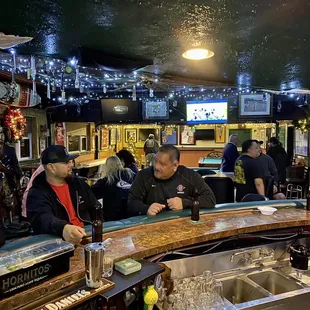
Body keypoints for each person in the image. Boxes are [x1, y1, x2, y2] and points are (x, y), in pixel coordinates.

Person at [27, 145, 100, 244]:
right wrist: (63, 228)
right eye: (66, 162)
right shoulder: (36, 193)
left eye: (70, 161)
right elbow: (42, 219)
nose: (71, 165)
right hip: (59, 243)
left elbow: (96, 209)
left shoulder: (79, 184)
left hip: (87, 236)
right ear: (51, 167)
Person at [127, 144, 216, 216]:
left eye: (162, 164)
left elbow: (210, 199)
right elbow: (131, 203)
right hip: (150, 228)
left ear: (175, 165)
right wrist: (146, 209)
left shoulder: (190, 176)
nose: (156, 167)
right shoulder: (144, 175)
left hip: (182, 227)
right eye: (155, 161)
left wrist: (184, 203)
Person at [91, 156, 135, 221]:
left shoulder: (107, 181)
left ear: (107, 167)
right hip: (132, 214)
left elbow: (91, 194)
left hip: (113, 218)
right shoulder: (131, 175)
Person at [0, 128, 22, 223]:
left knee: (8, 203)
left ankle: (10, 222)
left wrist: (6, 169)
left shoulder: (10, 150)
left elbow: (16, 168)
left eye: (1, 134)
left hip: (7, 182)